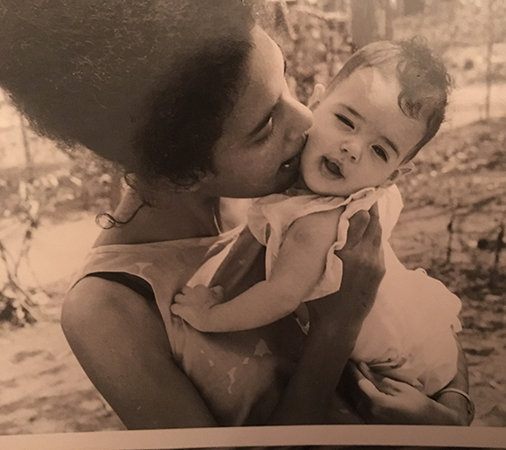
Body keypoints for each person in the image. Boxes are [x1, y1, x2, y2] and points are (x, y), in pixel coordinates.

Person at [0, 0, 473, 430]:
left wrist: (452, 405)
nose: (306, 121)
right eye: (266, 124)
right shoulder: (109, 309)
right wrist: (338, 326)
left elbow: (409, 307)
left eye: (286, 82)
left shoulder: (291, 189)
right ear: (182, 170)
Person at [171, 39, 462, 398]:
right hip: (420, 329)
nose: (352, 149)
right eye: (345, 121)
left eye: (379, 151)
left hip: (404, 360)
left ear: (392, 176)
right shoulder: (329, 196)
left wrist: (211, 316)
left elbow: (280, 296)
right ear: (316, 102)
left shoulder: (318, 222)